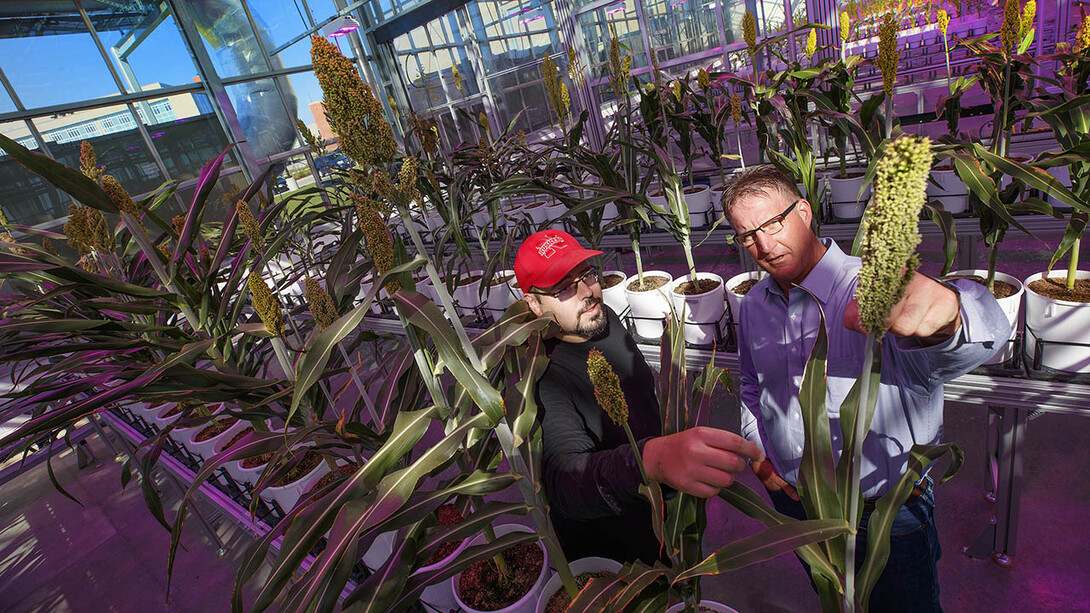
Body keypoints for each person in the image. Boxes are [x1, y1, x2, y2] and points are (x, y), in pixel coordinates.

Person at [721, 166, 1011, 612]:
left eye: (772, 224)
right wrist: (762, 458)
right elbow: (750, 384)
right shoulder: (755, 305)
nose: (762, 246)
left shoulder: (869, 289)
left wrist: (949, 318)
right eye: (746, 236)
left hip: (885, 514)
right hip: (799, 501)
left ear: (804, 211)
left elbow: (975, 340)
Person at [515, 228, 761, 564]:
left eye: (587, 274)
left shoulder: (604, 320)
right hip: (614, 552)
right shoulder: (541, 377)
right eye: (564, 288)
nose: (587, 292)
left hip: (656, 514)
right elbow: (566, 480)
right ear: (533, 302)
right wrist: (651, 460)